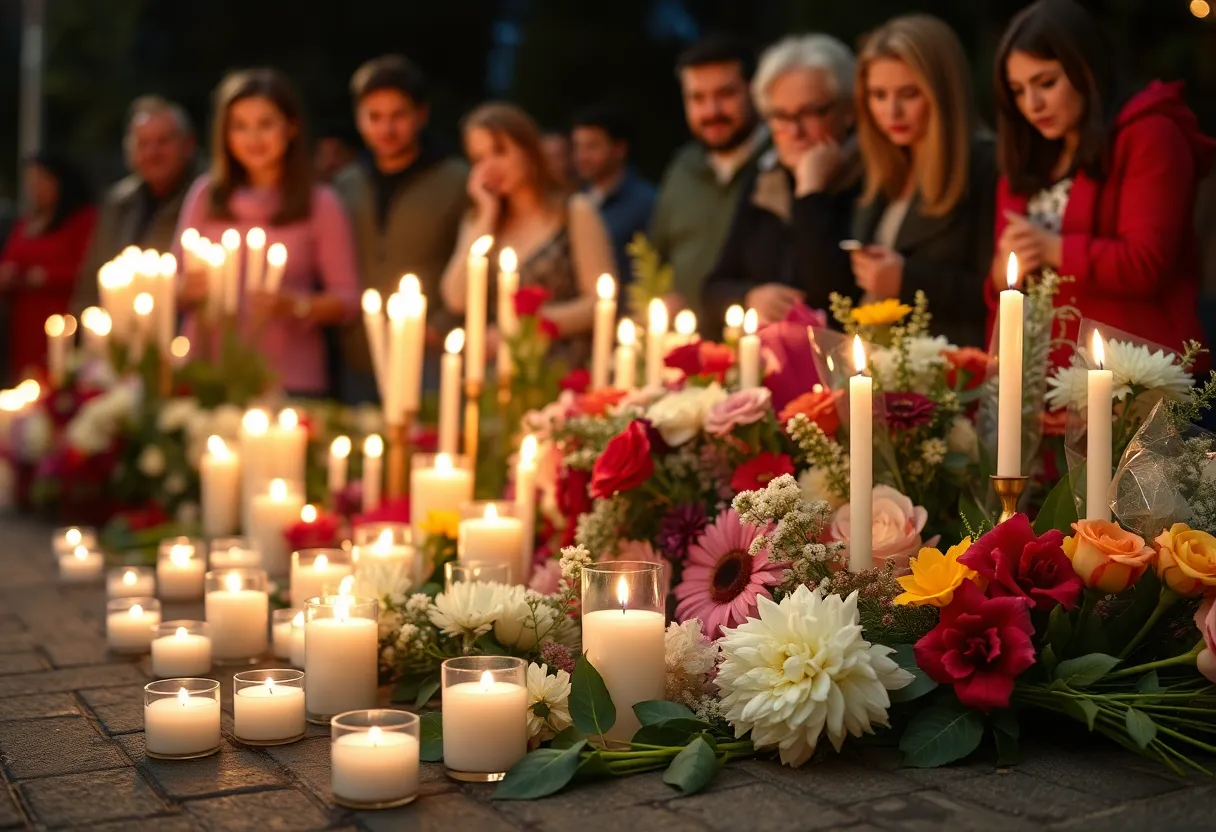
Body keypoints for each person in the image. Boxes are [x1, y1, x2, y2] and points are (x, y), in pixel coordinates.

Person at [989, 0, 1214, 354]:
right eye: (1017, 90)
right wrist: (1003, 272)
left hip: (1134, 365)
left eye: (1046, 83)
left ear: (1087, 70)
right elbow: (1003, 275)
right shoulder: (1029, 153)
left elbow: (1147, 264)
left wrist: (1053, 249)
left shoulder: (1150, 134)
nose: (1032, 104)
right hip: (1037, 365)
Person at [175, 68, 359, 397]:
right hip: (206, 372)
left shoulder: (321, 203)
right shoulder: (206, 195)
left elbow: (347, 300)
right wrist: (187, 289)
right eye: (240, 126)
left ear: (291, 127)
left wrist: (298, 305)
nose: (253, 138)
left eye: (265, 124)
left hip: (288, 379)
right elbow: (172, 283)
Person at [848, 15, 996, 348]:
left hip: (954, 365)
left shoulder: (986, 166)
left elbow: (1003, 292)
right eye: (878, 95)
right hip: (883, 361)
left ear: (943, 92)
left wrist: (907, 280)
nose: (892, 112)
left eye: (909, 94)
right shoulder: (883, 166)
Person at [701, 34, 861, 331]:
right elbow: (713, 289)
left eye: (810, 113)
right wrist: (750, 297)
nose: (795, 130)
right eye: (780, 116)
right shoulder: (765, 179)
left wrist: (810, 192)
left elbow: (837, 295)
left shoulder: (868, 181)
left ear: (847, 111)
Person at [333, 55, 468, 403]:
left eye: (398, 116)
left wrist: (442, 325)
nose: (386, 129)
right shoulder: (346, 184)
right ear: (359, 118)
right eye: (374, 117)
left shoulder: (456, 181)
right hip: (358, 356)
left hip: (429, 354)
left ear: (421, 115)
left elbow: (474, 262)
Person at [439, 102, 615, 369]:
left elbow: (598, 302)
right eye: (479, 159)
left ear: (528, 148)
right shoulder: (479, 221)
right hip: (502, 371)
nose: (490, 167)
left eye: (499, 151)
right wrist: (486, 215)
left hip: (563, 367)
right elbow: (455, 299)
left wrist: (522, 329)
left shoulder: (572, 211)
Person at [651, 34, 769, 316]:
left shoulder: (779, 164)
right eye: (697, 98)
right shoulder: (682, 168)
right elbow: (655, 259)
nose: (711, 111)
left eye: (725, 94)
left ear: (754, 91)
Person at [70, 96, 196, 312]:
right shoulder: (118, 202)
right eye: (143, 144)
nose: (152, 153)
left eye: (163, 141)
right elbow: (92, 280)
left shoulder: (206, 199)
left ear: (188, 144)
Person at [0, 153, 96, 382]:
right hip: (24, 323)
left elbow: (89, 269)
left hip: (64, 318)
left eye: (42, 180)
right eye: (31, 181)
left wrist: (45, 276)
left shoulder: (83, 220)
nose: (36, 188)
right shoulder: (26, 222)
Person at [570, 103, 656, 280]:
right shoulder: (575, 199)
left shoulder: (645, 203)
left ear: (619, 149)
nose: (582, 156)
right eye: (578, 147)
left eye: (592, 146)